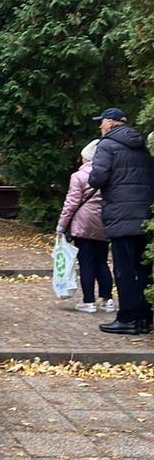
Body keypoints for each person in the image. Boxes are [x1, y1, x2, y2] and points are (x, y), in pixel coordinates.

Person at [89, 108, 154, 335]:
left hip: (120, 215)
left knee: (124, 270)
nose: (100, 127)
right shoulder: (141, 144)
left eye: (101, 122)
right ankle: (144, 318)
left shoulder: (106, 145)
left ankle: (127, 318)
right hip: (144, 216)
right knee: (142, 269)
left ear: (110, 123)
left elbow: (98, 177)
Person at [56, 139, 113, 314]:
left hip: (83, 223)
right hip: (103, 222)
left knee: (86, 262)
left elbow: (71, 203)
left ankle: (88, 301)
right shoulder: (109, 175)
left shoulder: (78, 176)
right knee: (102, 262)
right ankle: (107, 299)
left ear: (86, 158)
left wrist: (61, 225)